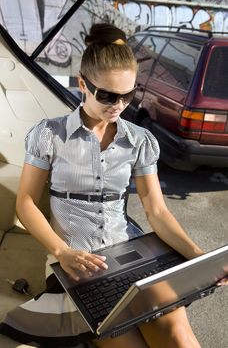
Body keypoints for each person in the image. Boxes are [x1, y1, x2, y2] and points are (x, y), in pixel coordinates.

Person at [0, 23, 226, 348]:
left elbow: (157, 210)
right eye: (106, 95)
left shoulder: (140, 141)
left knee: (180, 338)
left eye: (127, 95)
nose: (118, 105)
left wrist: (195, 256)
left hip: (132, 251)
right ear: (82, 84)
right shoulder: (48, 135)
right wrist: (61, 251)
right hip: (74, 260)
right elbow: (26, 203)